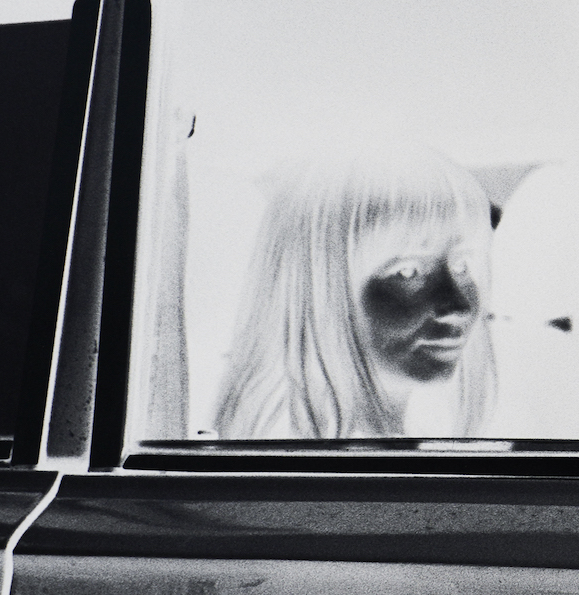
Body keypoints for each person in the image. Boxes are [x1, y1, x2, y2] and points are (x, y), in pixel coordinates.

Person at [213, 147, 496, 440]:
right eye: (407, 272)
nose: (459, 305)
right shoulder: (296, 465)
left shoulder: (427, 432)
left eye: (462, 266)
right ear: (321, 288)